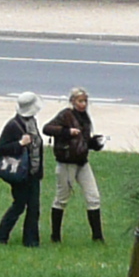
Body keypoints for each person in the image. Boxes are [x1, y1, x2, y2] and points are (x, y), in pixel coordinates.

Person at [44, 87, 105, 242]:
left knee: (94, 197)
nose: (83, 104)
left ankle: (97, 237)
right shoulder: (66, 114)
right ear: (72, 101)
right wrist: (66, 132)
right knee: (62, 199)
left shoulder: (85, 117)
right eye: (80, 101)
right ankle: (55, 237)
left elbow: (83, 141)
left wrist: (94, 143)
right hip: (66, 163)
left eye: (85, 101)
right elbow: (47, 128)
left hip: (82, 163)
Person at [0, 92, 45, 248]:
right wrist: (20, 143)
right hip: (20, 174)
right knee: (19, 205)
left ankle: (31, 242)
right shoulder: (13, 126)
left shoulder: (32, 122)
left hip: (33, 173)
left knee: (34, 208)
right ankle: (1, 237)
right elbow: (1, 149)